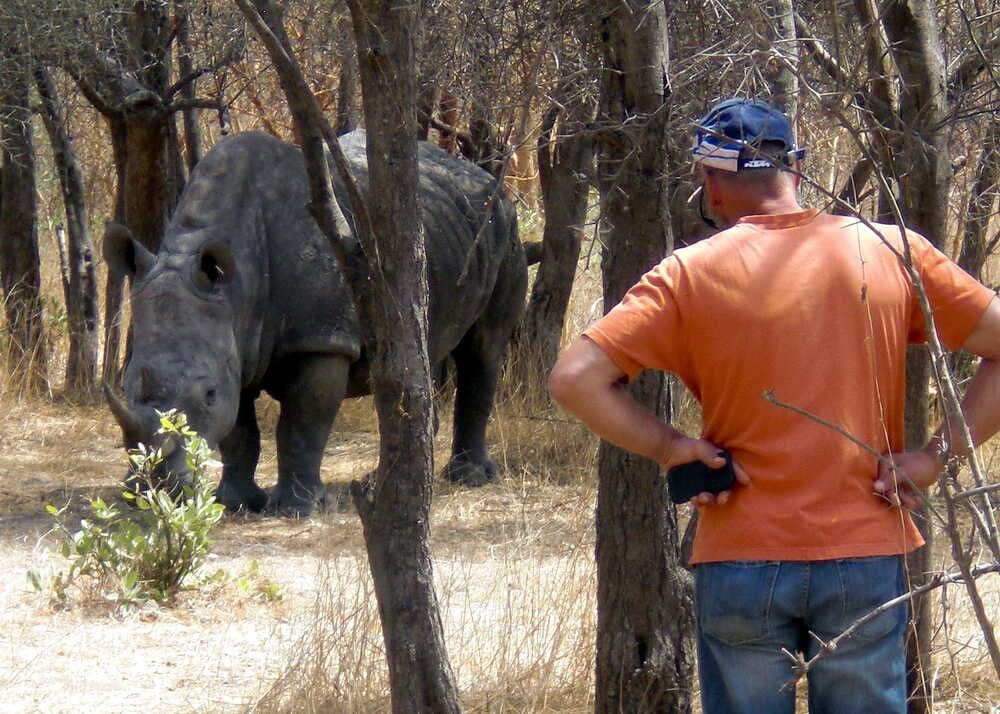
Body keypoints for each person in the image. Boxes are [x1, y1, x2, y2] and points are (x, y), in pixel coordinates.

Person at [548, 97, 1000, 713]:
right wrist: (934, 456)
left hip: (741, 555)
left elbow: (574, 379)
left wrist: (673, 449)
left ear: (711, 183)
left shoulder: (687, 273)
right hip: (864, 549)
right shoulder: (888, 250)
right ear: (794, 168)